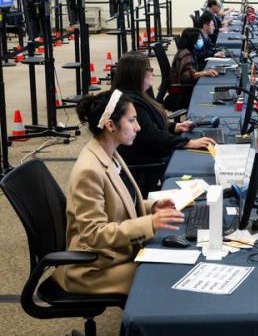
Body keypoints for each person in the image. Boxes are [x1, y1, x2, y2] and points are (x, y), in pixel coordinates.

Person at [52, 90, 185, 294]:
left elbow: (121, 202)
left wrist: (152, 207)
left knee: (167, 273)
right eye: (131, 120)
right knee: (162, 281)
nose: (138, 127)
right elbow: (94, 234)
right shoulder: (89, 170)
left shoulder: (110, 151)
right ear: (110, 125)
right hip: (93, 269)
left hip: (113, 255)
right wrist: (148, 223)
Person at [113, 51, 216, 193]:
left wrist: (175, 126)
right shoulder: (131, 103)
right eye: (148, 69)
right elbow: (152, 137)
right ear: (136, 74)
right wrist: (188, 143)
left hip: (154, 150)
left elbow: (150, 123)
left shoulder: (139, 94)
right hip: (149, 159)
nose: (152, 72)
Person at [169, 27, 218, 110]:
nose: (201, 40)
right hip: (183, 93)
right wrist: (204, 73)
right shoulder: (186, 54)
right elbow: (186, 77)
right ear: (192, 40)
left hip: (185, 89)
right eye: (199, 39)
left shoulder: (189, 51)